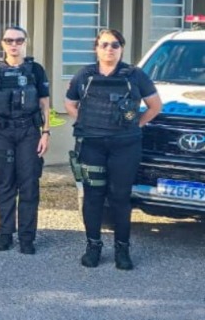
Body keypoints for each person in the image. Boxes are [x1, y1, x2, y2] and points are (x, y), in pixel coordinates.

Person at [65, 29, 161, 270]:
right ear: (96, 48)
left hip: (125, 147)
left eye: (115, 45)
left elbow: (155, 105)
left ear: (122, 48)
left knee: (120, 197)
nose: (110, 49)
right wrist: (86, 123)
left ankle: (122, 249)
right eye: (104, 44)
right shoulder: (84, 75)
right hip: (92, 146)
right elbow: (69, 102)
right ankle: (93, 246)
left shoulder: (135, 75)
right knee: (93, 196)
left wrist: (135, 125)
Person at [0, 26, 51, 254]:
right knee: (4, 183)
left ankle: (27, 238)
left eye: (18, 40)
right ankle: (5, 233)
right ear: (2, 43)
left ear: (25, 42)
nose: (14, 44)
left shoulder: (35, 70)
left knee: (28, 184)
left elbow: (44, 103)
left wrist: (45, 132)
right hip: (0, 132)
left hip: (28, 131)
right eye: (9, 40)